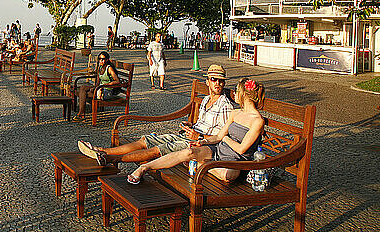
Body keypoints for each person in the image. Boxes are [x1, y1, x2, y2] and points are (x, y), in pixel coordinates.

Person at [78, 64, 235, 165]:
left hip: (199, 145)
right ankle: (101, 150)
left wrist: (199, 137)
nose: (218, 84)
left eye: (221, 81)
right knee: (146, 140)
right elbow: (202, 125)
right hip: (189, 136)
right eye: (214, 80)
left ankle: (109, 158)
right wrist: (191, 127)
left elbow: (222, 138)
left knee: (157, 149)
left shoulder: (225, 106)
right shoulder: (206, 99)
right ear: (207, 81)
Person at [126, 77, 265, 184]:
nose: (234, 94)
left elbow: (241, 149)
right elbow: (218, 137)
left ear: (244, 94)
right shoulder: (235, 113)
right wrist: (203, 141)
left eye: (236, 91)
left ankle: (201, 163)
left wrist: (225, 138)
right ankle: (144, 168)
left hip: (235, 160)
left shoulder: (257, 121)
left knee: (228, 176)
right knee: (189, 151)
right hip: (219, 149)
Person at [72, 51, 120, 122]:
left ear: (107, 60)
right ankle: (81, 114)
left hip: (107, 91)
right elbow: (98, 80)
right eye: (99, 58)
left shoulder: (109, 68)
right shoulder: (100, 67)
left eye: (103, 59)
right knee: (83, 88)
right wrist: (95, 87)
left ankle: (81, 114)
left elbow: (117, 81)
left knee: (85, 94)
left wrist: (106, 85)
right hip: (100, 88)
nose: (101, 60)